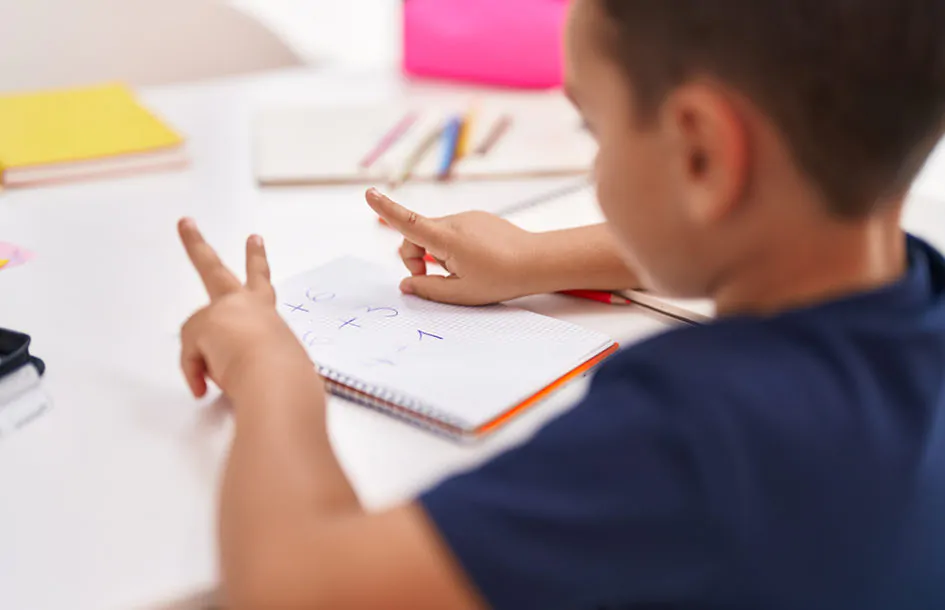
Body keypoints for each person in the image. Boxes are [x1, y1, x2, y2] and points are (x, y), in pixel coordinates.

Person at [176, 0, 945, 607]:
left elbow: (295, 591)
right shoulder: (916, 296)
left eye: (594, 127)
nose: (596, 155)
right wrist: (537, 256)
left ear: (702, 153)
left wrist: (272, 368)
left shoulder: (691, 436)